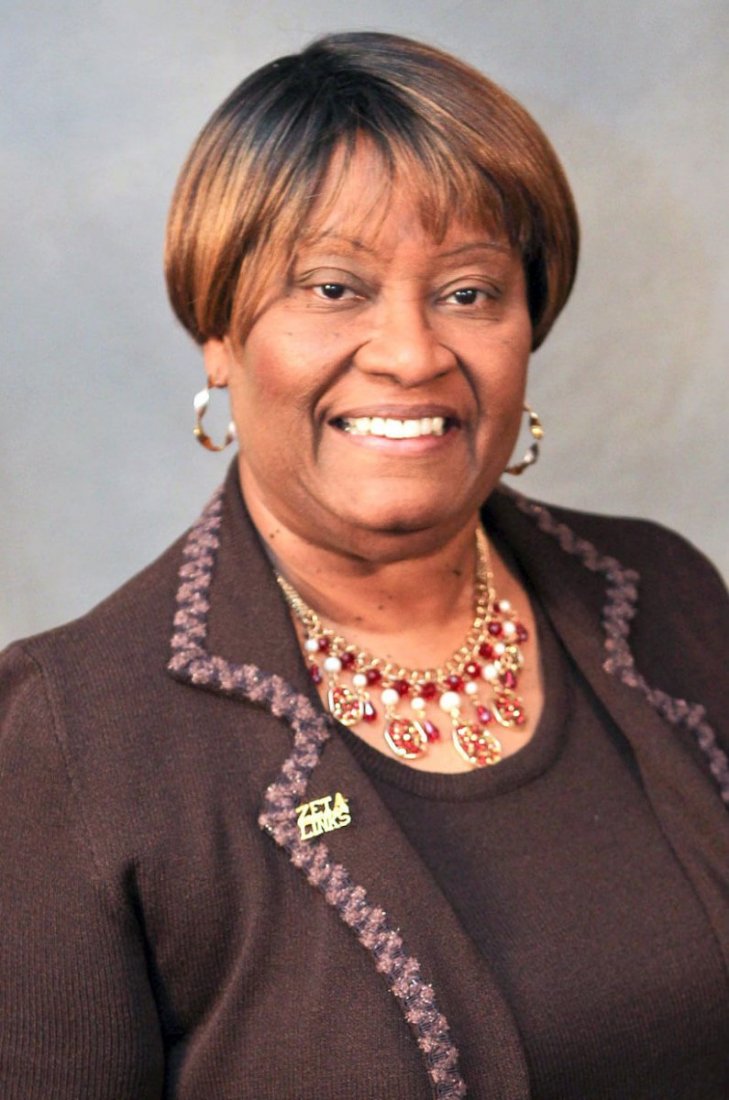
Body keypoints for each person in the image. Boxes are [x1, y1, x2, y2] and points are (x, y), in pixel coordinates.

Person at [1, 31, 728, 1100]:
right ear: (218, 330)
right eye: (334, 287)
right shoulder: (75, 737)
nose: (412, 353)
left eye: (469, 293)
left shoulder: (667, 597)